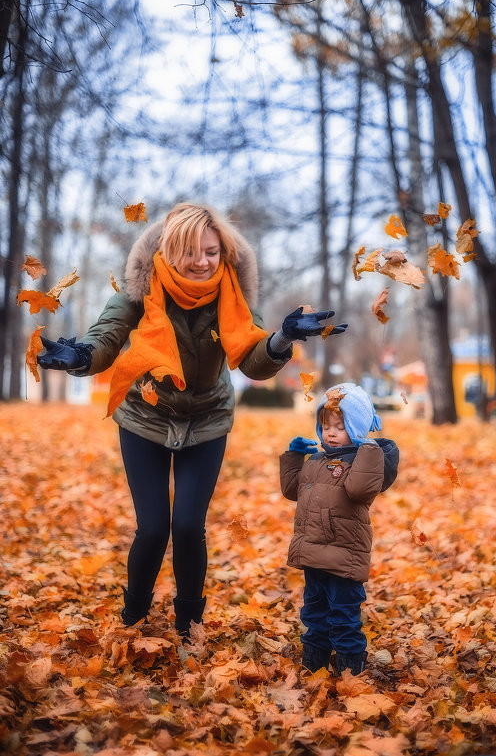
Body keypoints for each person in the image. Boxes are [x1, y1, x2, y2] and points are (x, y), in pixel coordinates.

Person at [38, 202, 347, 640]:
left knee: (186, 526)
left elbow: (254, 361)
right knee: (151, 528)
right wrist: (80, 356)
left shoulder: (232, 294)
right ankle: (133, 619)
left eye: (212, 252)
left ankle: (189, 625)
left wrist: (283, 337)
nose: (202, 262)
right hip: (145, 417)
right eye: (191, 252)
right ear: (168, 250)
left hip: (206, 421)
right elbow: (107, 336)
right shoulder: (141, 289)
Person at [279, 382, 399, 675]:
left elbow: (359, 490)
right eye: (325, 425)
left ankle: (350, 669)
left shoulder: (362, 462)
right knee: (314, 613)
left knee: (344, 617)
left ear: (357, 428)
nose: (330, 433)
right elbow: (291, 490)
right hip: (313, 555)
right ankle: (313, 664)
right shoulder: (318, 460)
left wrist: (367, 446)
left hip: (344, 558)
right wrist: (294, 457)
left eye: (340, 426)